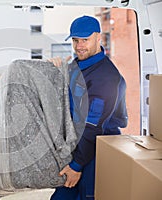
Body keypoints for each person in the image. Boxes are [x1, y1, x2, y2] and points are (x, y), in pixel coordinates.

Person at [49, 15, 128, 200]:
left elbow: (93, 126)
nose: (79, 46)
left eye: (85, 40)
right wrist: (55, 72)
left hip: (97, 149)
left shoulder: (105, 77)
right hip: (78, 145)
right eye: (75, 40)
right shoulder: (77, 65)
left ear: (98, 38)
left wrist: (77, 166)